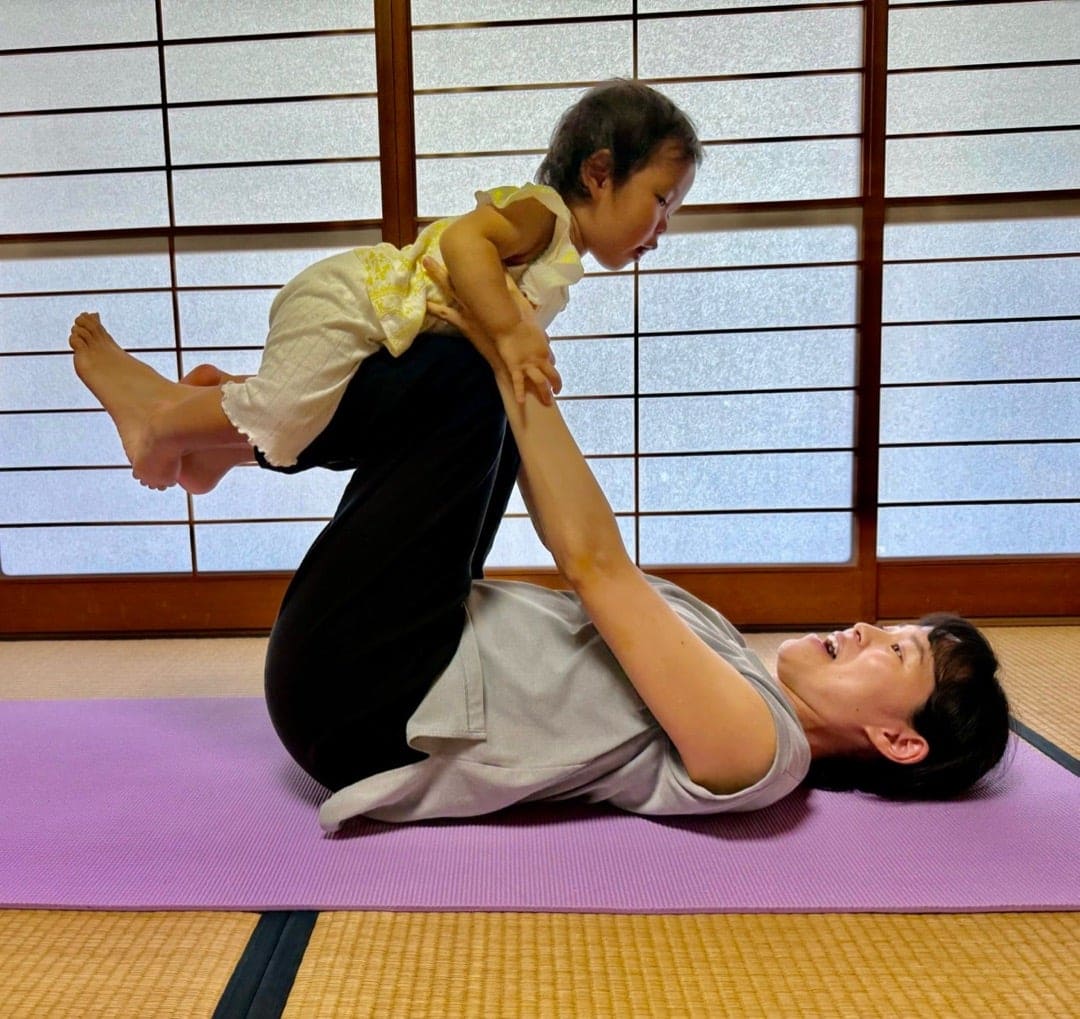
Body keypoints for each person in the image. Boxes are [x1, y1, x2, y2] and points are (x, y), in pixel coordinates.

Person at [196, 263, 1010, 829]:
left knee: (465, 378)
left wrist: (506, 343)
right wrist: (504, 345)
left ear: (899, 740)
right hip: (412, 646)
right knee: (467, 378)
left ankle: (223, 428)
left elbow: (592, 565)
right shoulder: (724, 647)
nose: (866, 628)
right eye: (889, 627)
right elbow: (581, 551)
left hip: (370, 702)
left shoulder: (764, 752)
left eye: (897, 650)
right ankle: (226, 428)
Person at [66, 79, 700, 495]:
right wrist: (511, 332)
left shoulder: (558, 250)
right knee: (288, 411)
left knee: (328, 421)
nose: (663, 227)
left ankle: (212, 433)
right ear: (599, 174)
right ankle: (162, 424)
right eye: (661, 201)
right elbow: (463, 242)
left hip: (381, 322)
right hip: (354, 300)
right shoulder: (543, 214)